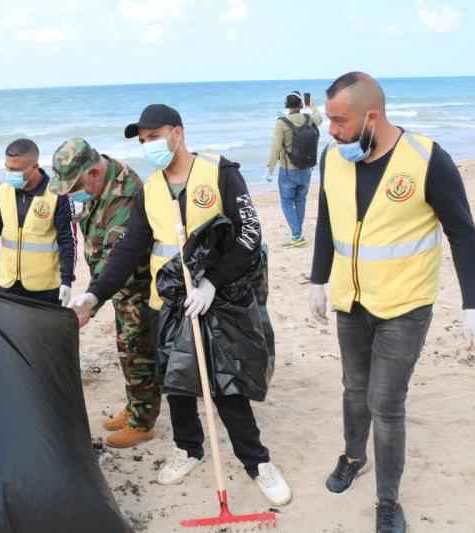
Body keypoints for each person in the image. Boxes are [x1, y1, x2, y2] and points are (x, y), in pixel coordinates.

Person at [68, 104, 291, 505]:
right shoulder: (150, 189)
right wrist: (93, 295)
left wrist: (212, 283)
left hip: (215, 302)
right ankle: (187, 448)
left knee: (227, 385)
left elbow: (249, 236)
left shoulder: (221, 173)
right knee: (177, 382)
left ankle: (257, 462)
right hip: (167, 303)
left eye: (153, 136)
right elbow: (130, 248)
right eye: (143, 141)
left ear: (178, 133)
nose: (148, 145)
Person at [309, 72, 475, 533]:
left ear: (372, 116)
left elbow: (463, 232)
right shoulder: (334, 157)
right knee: (353, 388)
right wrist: (317, 281)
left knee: (385, 403)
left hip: (405, 307)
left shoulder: (427, 159)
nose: (331, 130)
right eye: (328, 119)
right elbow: (328, 222)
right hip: (351, 301)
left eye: (339, 121)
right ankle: (353, 457)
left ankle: (387, 502)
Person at [50, 138, 161, 448]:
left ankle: (142, 422)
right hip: (114, 286)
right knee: (127, 346)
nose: (73, 193)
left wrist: (90, 301)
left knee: (136, 349)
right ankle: (135, 405)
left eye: (76, 186)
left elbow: (118, 258)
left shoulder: (127, 195)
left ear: (95, 173)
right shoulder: (100, 185)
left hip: (135, 284)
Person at [0, 139, 74, 305]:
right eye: (7, 167)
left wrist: (67, 280)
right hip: (8, 283)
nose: (10, 173)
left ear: (35, 167)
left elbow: (67, 240)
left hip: (44, 288)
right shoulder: (3, 190)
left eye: (16, 170)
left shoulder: (56, 194)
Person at [265, 91, 322, 248]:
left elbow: (276, 148)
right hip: (306, 169)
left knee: (286, 202)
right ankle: (298, 233)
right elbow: (320, 117)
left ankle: (297, 235)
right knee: (300, 200)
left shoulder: (281, 123)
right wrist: (312, 106)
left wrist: (270, 169)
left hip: (288, 171)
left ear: (287, 106)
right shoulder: (309, 119)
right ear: (301, 105)